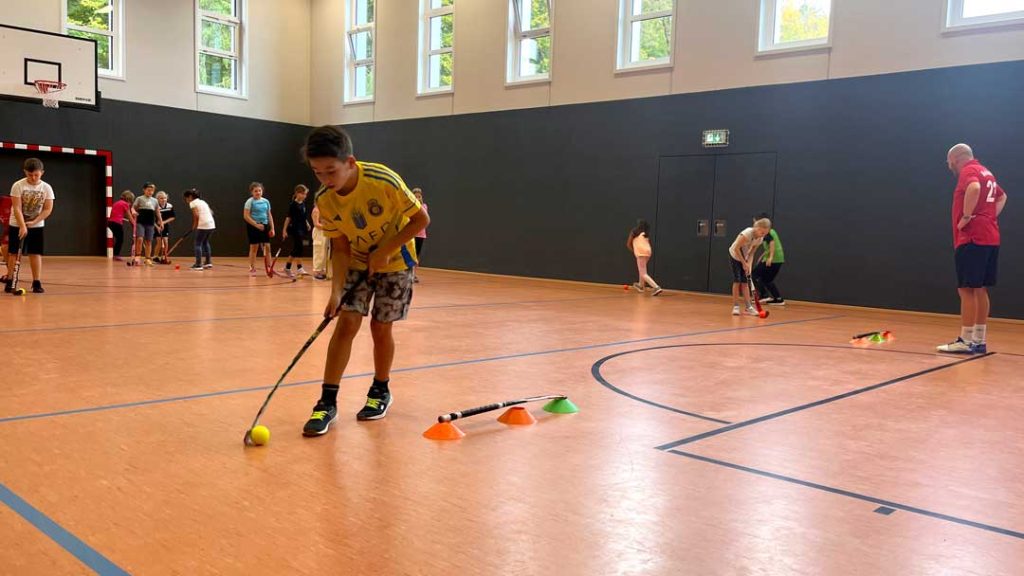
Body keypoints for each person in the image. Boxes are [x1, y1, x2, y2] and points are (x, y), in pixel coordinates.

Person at [300, 125, 429, 436]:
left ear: (350, 162)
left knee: (380, 327)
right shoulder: (326, 200)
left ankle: (380, 390)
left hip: (397, 261)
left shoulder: (383, 180)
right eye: (318, 173)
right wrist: (335, 292)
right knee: (346, 323)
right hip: (357, 260)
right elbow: (340, 248)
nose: (325, 180)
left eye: (331, 171)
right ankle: (327, 403)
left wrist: (384, 251)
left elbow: (421, 220)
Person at [937, 143, 1007, 354]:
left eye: (948, 161)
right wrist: (989, 217)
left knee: (966, 289)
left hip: (972, 238)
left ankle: (966, 340)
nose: (948, 165)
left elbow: (974, 188)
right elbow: (1002, 196)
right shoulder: (987, 172)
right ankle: (979, 339)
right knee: (980, 289)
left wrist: (967, 217)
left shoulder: (969, 171)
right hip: (990, 236)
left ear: (956, 158)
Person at [5, 158, 55, 294]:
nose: (33, 178)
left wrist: (34, 222)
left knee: (35, 253)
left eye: (36, 175)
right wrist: (22, 225)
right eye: (29, 175)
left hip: (36, 224)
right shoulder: (18, 185)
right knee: (13, 253)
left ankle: (36, 282)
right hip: (17, 223)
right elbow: (17, 208)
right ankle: (10, 280)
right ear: (25, 172)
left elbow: (47, 209)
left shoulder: (46, 188)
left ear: (42, 173)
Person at [728, 218, 771, 316]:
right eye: (762, 232)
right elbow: (736, 248)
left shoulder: (759, 239)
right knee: (737, 280)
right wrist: (743, 262)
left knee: (745, 282)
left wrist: (749, 266)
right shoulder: (747, 233)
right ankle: (736, 306)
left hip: (744, 258)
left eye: (765, 234)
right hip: (735, 255)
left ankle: (748, 307)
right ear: (757, 228)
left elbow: (751, 253)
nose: (762, 235)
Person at [751, 213, 785, 306]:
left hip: (773, 260)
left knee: (754, 274)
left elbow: (772, 243)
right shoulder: (772, 231)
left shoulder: (767, 232)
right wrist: (762, 256)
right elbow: (770, 247)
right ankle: (778, 299)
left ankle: (763, 295)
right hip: (778, 259)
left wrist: (770, 257)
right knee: (767, 280)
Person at [243, 182, 274, 275]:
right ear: (252, 192)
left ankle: (269, 267)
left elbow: (269, 215)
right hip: (253, 226)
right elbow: (246, 216)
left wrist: (272, 228)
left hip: (264, 225)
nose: (258, 192)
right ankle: (252, 267)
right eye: (255, 191)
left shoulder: (266, 201)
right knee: (254, 247)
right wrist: (256, 225)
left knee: (267, 247)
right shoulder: (250, 202)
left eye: (259, 190)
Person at [281, 184, 312, 277]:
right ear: (297, 193)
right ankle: (292, 267)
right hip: (295, 228)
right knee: (298, 247)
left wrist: (307, 223)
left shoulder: (302, 204)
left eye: (305, 194)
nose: (304, 196)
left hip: (301, 228)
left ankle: (295, 268)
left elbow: (303, 216)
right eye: (302, 194)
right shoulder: (293, 205)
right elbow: (288, 218)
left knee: (298, 248)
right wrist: (284, 230)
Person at [626, 219, 662, 296]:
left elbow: (628, 244)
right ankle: (640, 285)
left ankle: (656, 287)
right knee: (642, 270)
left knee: (643, 273)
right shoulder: (645, 234)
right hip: (648, 252)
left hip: (641, 252)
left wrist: (634, 251)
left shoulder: (634, 231)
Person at [183, 189, 216, 271]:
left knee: (197, 244)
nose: (186, 200)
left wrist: (195, 225)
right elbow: (211, 212)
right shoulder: (203, 202)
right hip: (211, 224)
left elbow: (196, 215)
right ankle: (208, 262)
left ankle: (198, 264)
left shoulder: (192, 203)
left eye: (186, 198)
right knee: (205, 242)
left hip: (203, 225)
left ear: (190, 197)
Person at [132, 183, 163, 266]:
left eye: (152, 190)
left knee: (149, 241)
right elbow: (133, 207)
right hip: (140, 222)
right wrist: (134, 212)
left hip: (150, 223)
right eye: (148, 190)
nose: (150, 192)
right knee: (140, 239)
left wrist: (161, 221)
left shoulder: (155, 201)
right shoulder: (139, 199)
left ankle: (148, 259)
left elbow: (157, 211)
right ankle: (137, 256)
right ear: (144, 190)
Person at [108, 190, 135, 261]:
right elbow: (129, 216)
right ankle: (116, 255)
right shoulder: (125, 204)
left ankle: (115, 254)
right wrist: (134, 225)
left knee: (118, 238)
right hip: (117, 223)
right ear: (129, 199)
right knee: (120, 239)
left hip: (110, 223)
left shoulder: (117, 203)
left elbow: (121, 214)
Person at [412, 188, 429, 283]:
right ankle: (409, 275)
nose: (418, 197)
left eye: (419, 196)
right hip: (412, 234)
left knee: (417, 256)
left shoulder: (424, 206)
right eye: (416, 196)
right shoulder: (410, 206)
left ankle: (414, 274)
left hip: (421, 235)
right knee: (411, 255)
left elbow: (423, 216)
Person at [154, 191, 176, 263]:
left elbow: (172, 217)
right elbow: (152, 220)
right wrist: (157, 226)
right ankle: (155, 257)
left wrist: (163, 222)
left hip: (165, 226)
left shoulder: (169, 206)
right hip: (157, 227)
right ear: (157, 199)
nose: (163, 199)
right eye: (161, 198)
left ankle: (164, 257)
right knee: (159, 242)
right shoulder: (155, 207)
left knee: (166, 242)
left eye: (165, 198)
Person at [311, 204, 328, 280]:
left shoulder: (323, 210)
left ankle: (322, 271)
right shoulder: (316, 210)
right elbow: (316, 224)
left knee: (324, 252)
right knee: (318, 251)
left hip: (324, 232)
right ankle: (316, 272)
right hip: (319, 232)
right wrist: (328, 227)